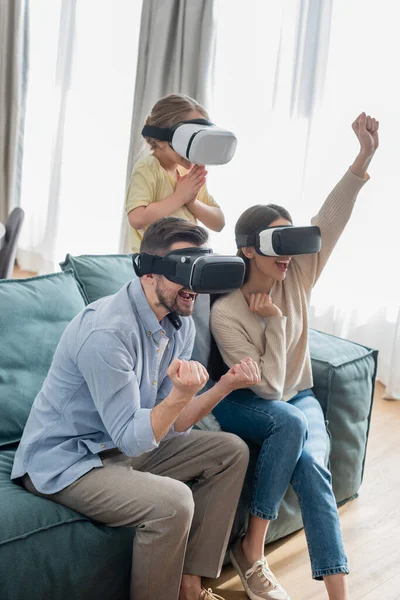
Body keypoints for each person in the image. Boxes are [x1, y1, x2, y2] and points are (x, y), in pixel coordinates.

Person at [11, 217, 261, 600]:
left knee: (229, 451)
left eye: (200, 267)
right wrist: (179, 394)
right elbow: (133, 437)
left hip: (122, 447)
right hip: (68, 461)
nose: (193, 285)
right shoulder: (108, 333)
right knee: (174, 504)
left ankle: (189, 588)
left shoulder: (179, 322)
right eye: (184, 269)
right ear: (149, 273)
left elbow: (173, 423)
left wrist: (224, 384)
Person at [210, 113, 379, 600]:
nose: (288, 254)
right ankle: (253, 550)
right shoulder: (228, 312)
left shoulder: (298, 273)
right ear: (247, 250)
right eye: (276, 243)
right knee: (291, 422)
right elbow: (267, 388)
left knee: (314, 470)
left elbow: (332, 216)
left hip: (295, 396)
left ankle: (338, 595)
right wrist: (274, 324)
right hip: (246, 397)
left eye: (292, 240)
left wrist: (363, 158)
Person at [125, 94, 225, 252]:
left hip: (188, 259)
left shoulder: (189, 172)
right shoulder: (149, 167)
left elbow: (219, 223)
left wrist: (192, 202)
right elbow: (137, 218)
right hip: (155, 263)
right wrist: (180, 197)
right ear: (160, 140)